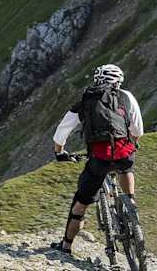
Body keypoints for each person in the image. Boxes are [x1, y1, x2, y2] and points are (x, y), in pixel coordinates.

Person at [50, 63, 144, 254]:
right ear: (119, 81)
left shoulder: (87, 100)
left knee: (81, 202)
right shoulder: (127, 96)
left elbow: (62, 131)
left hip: (99, 157)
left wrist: (60, 151)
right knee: (126, 168)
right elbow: (137, 130)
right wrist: (132, 142)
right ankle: (130, 203)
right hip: (123, 151)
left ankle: (66, 245)